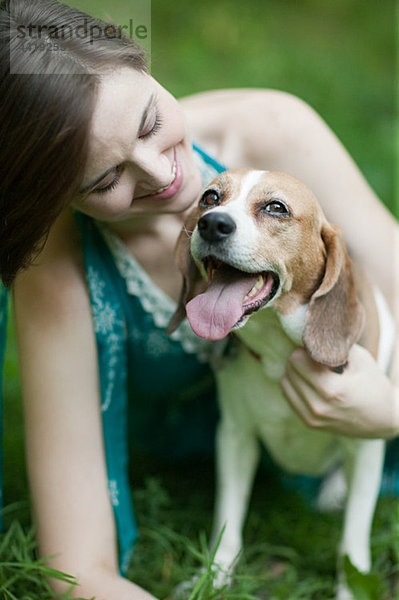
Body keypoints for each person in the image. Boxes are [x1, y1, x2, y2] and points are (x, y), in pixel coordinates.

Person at [0, 0, 398, 598]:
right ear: (56, 197)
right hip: (202, 443)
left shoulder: (274, 129)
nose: (161, 175)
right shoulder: (54, 269)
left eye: (150, 121)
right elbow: (76, 568)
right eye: (106, 180)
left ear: (146, 66)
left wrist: (390, 416)